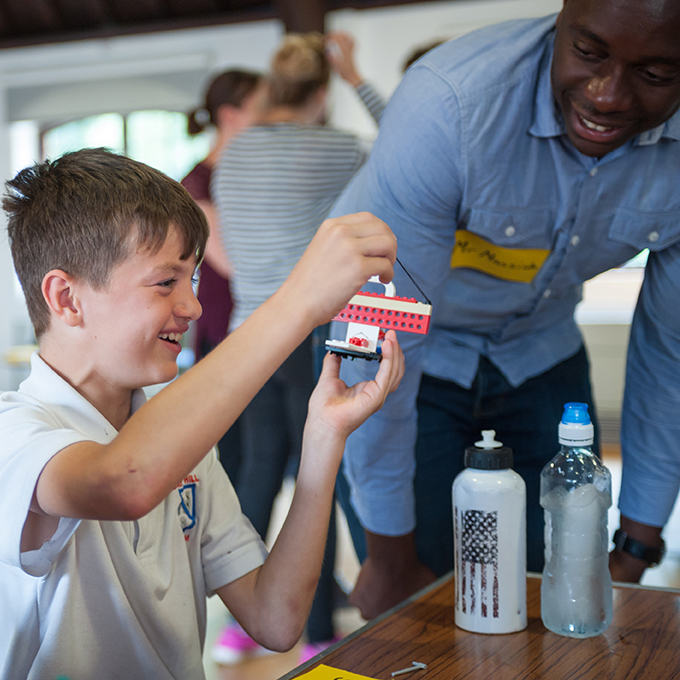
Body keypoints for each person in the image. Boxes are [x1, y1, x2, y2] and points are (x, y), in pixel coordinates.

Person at [329, 0, 680, 620]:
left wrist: (637, 542)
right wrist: (385, 556)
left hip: (539, 351)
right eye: (590, 53)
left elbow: (669, 355)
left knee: (556, 594)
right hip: (406, 357)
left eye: (654, 75)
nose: (606, 96)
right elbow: (380, 333)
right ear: (562, 19)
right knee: (428, 609)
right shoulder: (452, 106)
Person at [0, 147, 403, 679]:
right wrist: (298, 299)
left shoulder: (185, 450)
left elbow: (276, 618)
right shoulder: (16, 433)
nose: (192, 306)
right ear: (67, 298)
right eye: (166, 282)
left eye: (192, 280)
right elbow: (123, 482)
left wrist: (323, 437)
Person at [212, 31, 385, 659]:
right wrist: (356, 73)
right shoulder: (338, 148)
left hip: (249, 340)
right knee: (330, 482)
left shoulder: (233, 155)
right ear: (320, 92)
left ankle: (241, 624)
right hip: (317, 336)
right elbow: (409, 138)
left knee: (258, 477)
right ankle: (330, 634)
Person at [181, 69, 263, 491]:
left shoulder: (249, 177)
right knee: (239, 454)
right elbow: (230, 261)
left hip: (254, 325)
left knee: (269, 450)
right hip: (224, 331)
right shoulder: (197, 183)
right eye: (261, 108)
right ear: (230, 115)